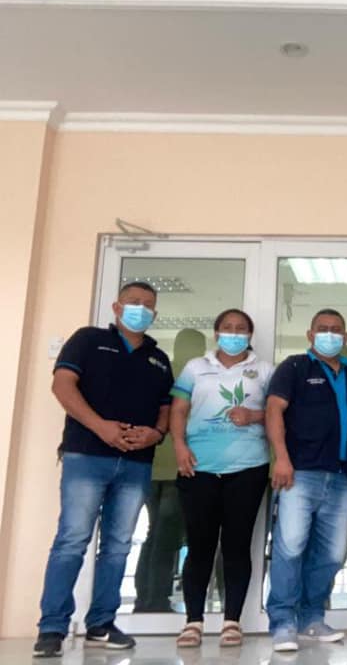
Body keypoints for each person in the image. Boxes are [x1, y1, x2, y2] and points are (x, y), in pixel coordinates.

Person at [34, 282, 174, 658]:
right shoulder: (88, 340)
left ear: (155, 313)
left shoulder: (159, 359)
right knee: (72, 540)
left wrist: (156, 433)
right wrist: (101, 427)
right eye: (134, 302)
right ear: (116, 307)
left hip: (136, 463)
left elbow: (165, 408)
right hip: (87, 456)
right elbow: (62, 386)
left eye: (148, 305)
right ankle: (52, 628)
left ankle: (101, 623)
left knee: (118, 545)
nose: (141, 309)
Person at [170, 309, 274, 648]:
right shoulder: (195, 368)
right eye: (227, 328)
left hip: (248, 468)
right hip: (198, 467)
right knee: (199, 546)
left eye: (241, 329)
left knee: (237, 546)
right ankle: (193, 622)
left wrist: (254, 415)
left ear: (250, 335)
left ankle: (232, 621)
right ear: (216, 333)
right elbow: (178, 410)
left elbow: (277, 413)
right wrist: (179, 446)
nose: (234, 333)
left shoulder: (264, 370)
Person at [264, 309, 347, 652]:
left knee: (333, 553)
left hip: (341, 477)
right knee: (290, 546)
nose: (329, 334)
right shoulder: (294, 367)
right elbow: (273, 410)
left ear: (345, 338)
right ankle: (283, 621)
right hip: (299, 473)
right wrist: (282, 458)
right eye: (322, 329)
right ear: (310, 334)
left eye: (336, 330)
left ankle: (311, 618)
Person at [133, 328, 204, 614]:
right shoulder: (190, 376)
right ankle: (155, 600)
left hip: (154, 464)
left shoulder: (164, 370)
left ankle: (145, 598)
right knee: (167, 536)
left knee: (156, 534)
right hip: (175, 466)